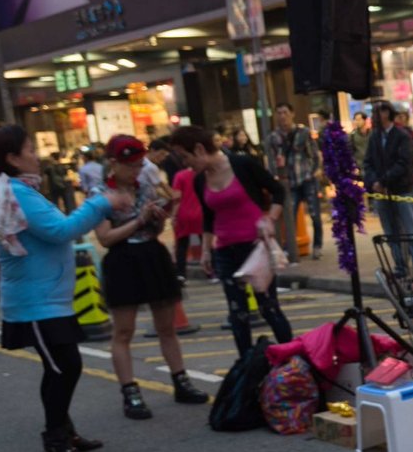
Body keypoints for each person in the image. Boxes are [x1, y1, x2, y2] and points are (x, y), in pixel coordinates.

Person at [0, 125, 131, 452]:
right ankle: (56, 444)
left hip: (46, 298)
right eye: (30, 149)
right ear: (12, 158)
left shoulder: (14, 190)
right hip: (34, 302)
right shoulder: (14, 193)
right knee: (63, 368)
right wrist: (101, 203)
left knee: (63, 367)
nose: (37, 154)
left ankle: (65, 433)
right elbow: (59, 230)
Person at [93, 135, 210, 419]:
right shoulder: (98, 195)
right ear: (113, 163)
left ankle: (181, 381)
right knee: (124, 330)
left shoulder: (146, 187)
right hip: (122, 260)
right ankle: (130, 392)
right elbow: (106, 238)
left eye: (138, 165)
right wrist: (139, 220)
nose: (135, 171)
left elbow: (153, 231)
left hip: (152, 255)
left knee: (166, 325)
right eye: (129, 165)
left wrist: (158, 217)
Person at [168, 126, 295, 359]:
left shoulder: (242, 164)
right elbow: (209, 216)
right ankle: (246, 368)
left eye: (186, 157)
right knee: (238, 314)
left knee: (269, 308)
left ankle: (296, 360)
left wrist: (270, 219)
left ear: (199, 149)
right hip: (225, 250)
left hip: (255, 249)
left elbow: (278, 191)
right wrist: (206, 251)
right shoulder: (199, 180)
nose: (186, 165)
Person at [363, 101, 413, 281]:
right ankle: (400, 266)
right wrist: (374, 182)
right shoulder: (374, 136)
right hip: (382, 192)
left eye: (378, 112)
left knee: (411, 231)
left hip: (402, 190)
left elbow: (404, 162)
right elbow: (367, 162)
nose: (374, 116)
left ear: (387, 113)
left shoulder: (402, 135)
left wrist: (383, 180)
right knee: (390, 232)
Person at [268, 102, 323, 262]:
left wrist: (314, 172)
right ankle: (289, 248)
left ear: (292, 114)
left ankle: (317, 246)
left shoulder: (303, 132)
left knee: (315, 214)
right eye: (279, 113)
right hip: (288, 182)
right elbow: (272, 160)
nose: (282, 116)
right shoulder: (274, 137)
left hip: (307, 178)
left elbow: (314, 154)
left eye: (285, 112)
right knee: (289, 215)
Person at [171, 156, 205, 281]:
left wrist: (173, 215)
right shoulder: (202, 174)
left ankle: (181, 274)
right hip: (201, 213)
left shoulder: (179, 176)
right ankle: (213, 272)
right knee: (205, 243)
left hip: (183, 214)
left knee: (182, 245)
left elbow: (177, 198)